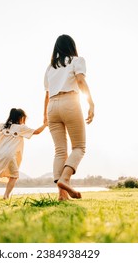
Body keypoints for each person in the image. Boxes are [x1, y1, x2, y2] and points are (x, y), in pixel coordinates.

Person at [43, 34, 95, 201]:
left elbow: (47, 94)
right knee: (79, 147)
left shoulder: (50, 68)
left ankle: (62, 195)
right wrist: (91, 103)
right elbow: (80, 81)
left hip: (52, 106)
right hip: (70, 102)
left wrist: (45, 115)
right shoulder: (76, 60)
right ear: (72, 46)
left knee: (60, 151)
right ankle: (65, 180)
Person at [0, 108, 47, 200]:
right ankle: (6, 196)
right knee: (14, 176)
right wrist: (45, 124)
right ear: (21, 118)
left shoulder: (3, 126)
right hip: (10, 155)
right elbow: (37, 132)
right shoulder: (21, 128)